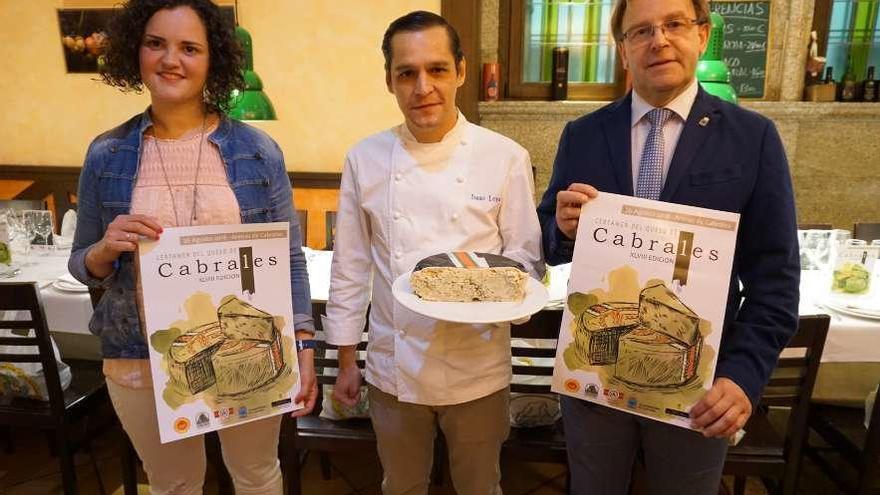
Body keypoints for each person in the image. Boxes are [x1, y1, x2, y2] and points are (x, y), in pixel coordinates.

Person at [536, 0, 800, 493]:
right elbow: (547, 241)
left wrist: (743, 376)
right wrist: (563, 229)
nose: (658, 40)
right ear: (623, 51)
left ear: (701, 35)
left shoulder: (753, 138)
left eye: (674, 24)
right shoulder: (584, 135)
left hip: (699, 380)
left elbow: (777, 281)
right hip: (596, 378)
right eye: (640, 31)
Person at [68, 1, 317, 493]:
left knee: (256, 475)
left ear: (214, 60)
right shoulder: (106, 154)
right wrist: (104, 249)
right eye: (156, 43)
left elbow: (288, 256)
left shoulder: (257, 150)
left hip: (250, 352)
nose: (170, 60)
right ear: (135, 51)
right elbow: (81, 264)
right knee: (174, 484)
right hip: (141, 357)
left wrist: (304, 342)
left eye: (189, 48)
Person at [322, 11, 544, 495]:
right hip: (393, 366)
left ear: (461, 71)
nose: (423, 86)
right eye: (407, 73)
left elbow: (524, 263)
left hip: (479, 368)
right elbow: (351, 266)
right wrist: (344, 360)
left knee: (480, 485)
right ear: (390, 81)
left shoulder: (505, 157)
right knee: (401, 485)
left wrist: (515, 304)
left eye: (437, 69)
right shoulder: (365, 158)